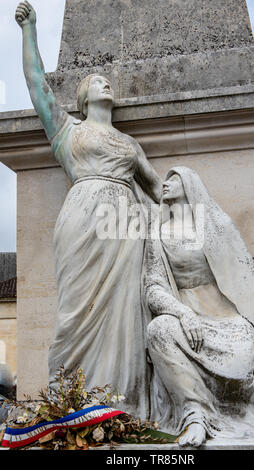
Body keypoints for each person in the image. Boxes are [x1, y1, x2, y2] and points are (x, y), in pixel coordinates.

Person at [15, 1, 161, 419]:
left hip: (125, 226)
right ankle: (71, 405)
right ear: (81, 99)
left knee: (124, 314)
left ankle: (120, 410)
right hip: (82, 219)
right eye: (97, 81)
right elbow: (37, 82)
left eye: (106, 81)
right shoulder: (68, 131)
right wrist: (30, 31)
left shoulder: (130, 144)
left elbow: (155, 188)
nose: (105, 84)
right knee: (75, 312)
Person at [143, 167, 254, 446]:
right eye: (165, 180)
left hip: (228, 321)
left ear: (190, 185)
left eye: (174, 179)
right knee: (158, 330)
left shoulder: (217, 226)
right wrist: (182, 312)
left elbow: (247, 280)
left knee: (241, 362)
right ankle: (196, 415)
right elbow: (152, 287)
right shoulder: (158, 234)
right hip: (186, 320)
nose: (165, 184)